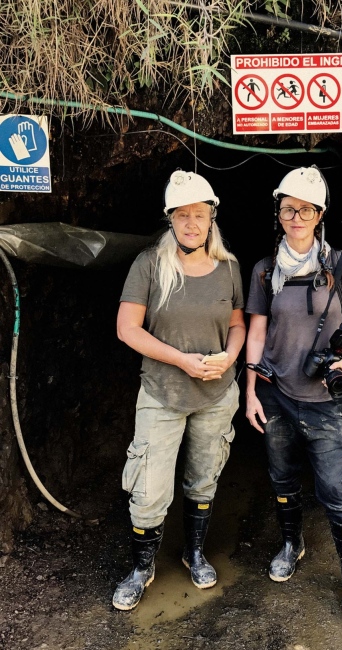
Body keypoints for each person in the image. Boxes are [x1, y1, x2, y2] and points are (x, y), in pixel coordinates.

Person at [245, 165, 342, 626]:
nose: (295, 217)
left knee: (338, 491)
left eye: (305, 209)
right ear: (278, 213)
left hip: (326, 399)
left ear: (320, 214)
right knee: (282, 480)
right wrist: (251, 390)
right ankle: (291, 544)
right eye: (287, 208)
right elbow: (256, 333)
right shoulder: (263, 270)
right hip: (276, 393)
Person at [113, 170, 246, 611]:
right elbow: (127, 329)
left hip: (216, 394)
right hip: (162, 393)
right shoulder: (149, 265)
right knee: (150, 489)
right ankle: (141, 568)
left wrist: (229, 357)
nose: (192, 223)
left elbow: (238, 324)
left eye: (200, 215)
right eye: (183, 215)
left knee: (203, 478)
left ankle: (193, 553)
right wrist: (182, 360)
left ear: (212, 219)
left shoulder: (229, 267)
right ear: (170, 218)